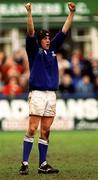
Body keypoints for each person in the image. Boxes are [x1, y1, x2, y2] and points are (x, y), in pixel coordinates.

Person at [19, 2, 75, 175]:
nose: (48, 40)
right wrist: (29, 13)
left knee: (46, 130)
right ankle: (25, 163)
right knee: (32, 128)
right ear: (39, 40)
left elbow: (64, 31)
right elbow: (30, 31)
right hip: (37, 93)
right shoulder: (33, 50)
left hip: (51, 94)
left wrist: (71, 14)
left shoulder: (53, 49)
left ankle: (42, 164)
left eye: (48, 38)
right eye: (44, 38)